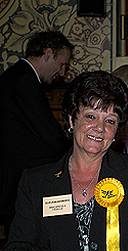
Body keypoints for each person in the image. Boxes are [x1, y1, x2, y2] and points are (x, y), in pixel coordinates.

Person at [3, 71, 128, 251]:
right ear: (72, 120)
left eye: (110, 120)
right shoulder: (36, 182)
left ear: (117, 130)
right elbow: (16, 250)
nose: (99, 128)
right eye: (91, 116)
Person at [0, 30, 73, 237]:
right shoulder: (25, 80)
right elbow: (47, 132)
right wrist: (74, 152)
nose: (62, 72)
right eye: (62, 64)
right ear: (48, 53)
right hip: (17, 175)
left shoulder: (17, 76)